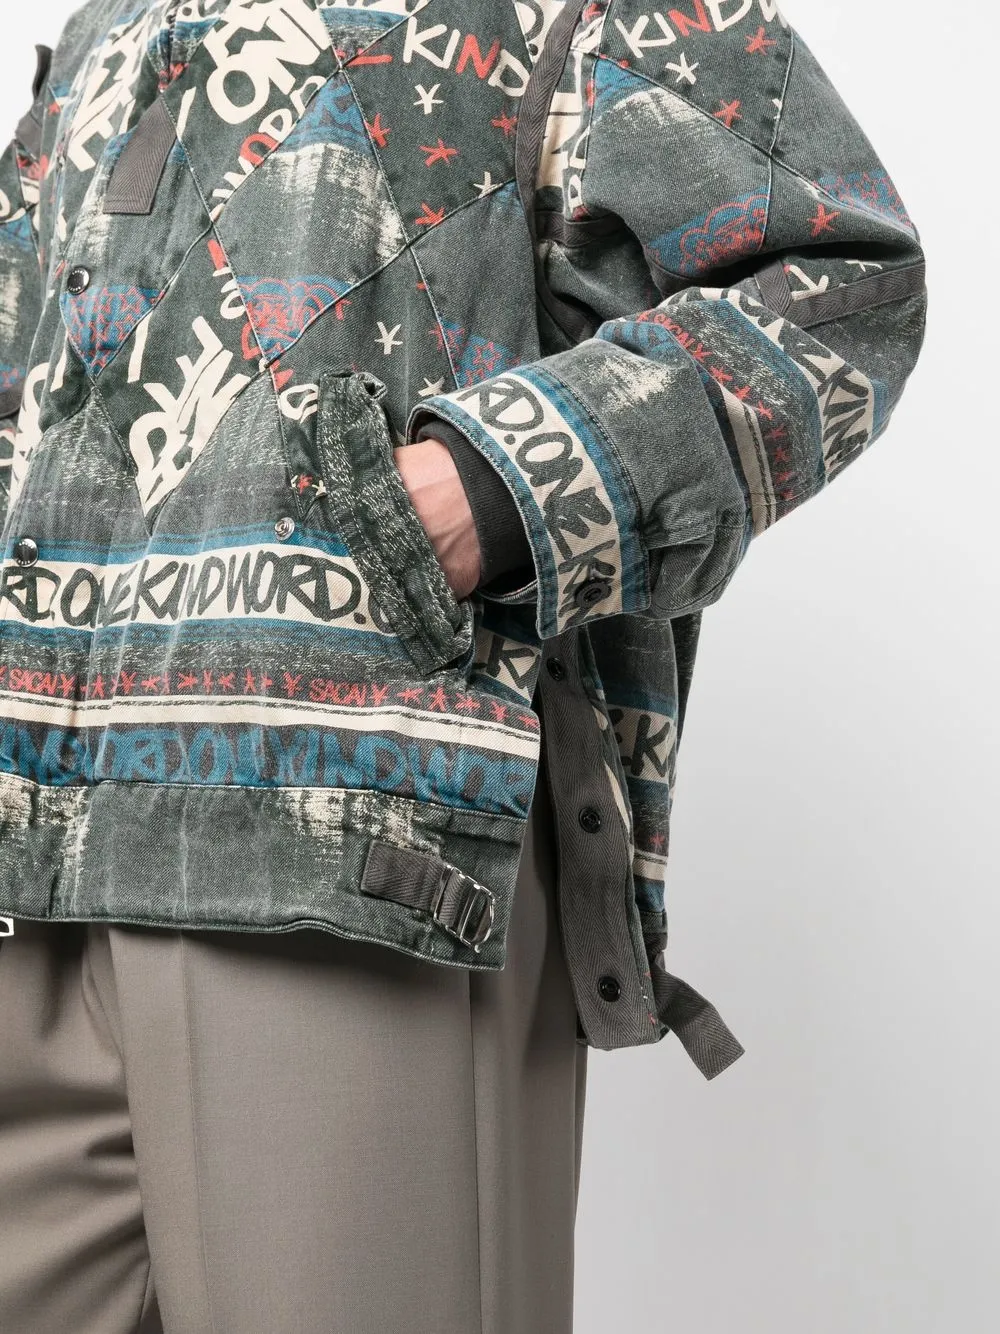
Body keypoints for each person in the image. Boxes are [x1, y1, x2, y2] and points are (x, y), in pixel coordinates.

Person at [0, 2, 926, 1331]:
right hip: (29, 861)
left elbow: (841, 277)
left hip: (346, 843)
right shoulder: (108, 23)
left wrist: (490, 493)